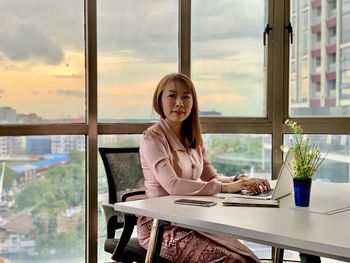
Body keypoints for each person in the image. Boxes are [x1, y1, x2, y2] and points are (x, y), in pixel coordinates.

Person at [137, 73, 271, 263]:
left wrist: (239, 182)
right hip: (160, 225)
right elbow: (173, 185)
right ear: (159, 99)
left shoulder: (192, 137)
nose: (179, 103)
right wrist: (225, 188)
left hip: (190, 218)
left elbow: (211, 177)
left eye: (186, 97)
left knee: (249, 258)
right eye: (172, 95)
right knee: (233, 261)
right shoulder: (152, 137)